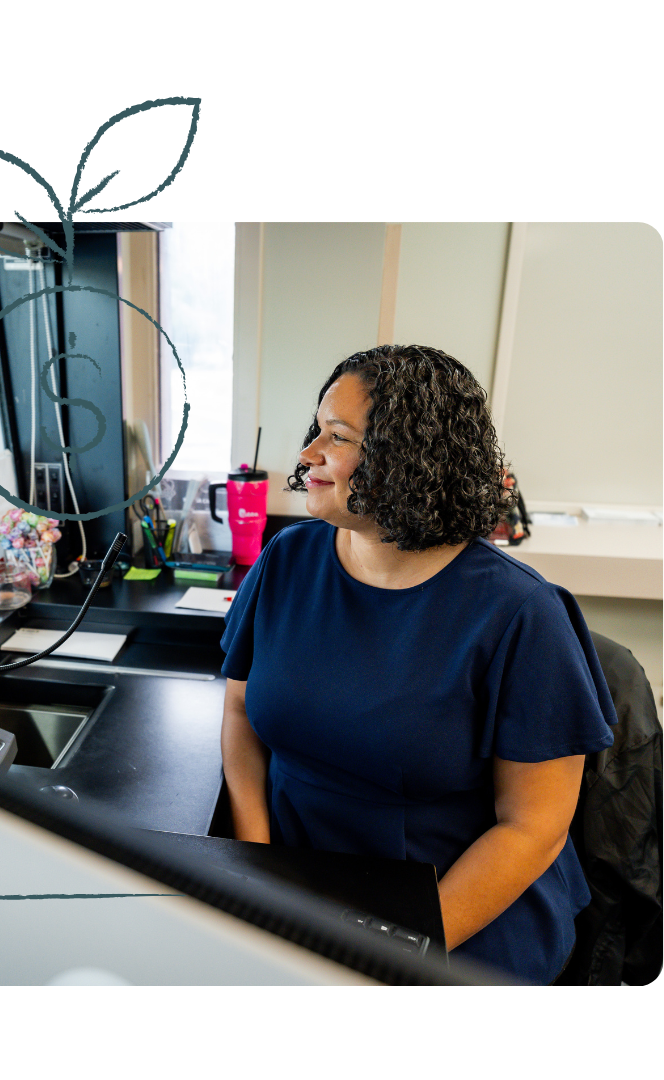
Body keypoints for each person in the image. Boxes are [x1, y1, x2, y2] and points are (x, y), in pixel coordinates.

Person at [219, 345, 617, 985]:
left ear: (411, 460)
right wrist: (254, 865)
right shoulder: (288, 559)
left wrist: (401, 946)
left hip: (452, 909)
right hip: (301, 882)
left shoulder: (521, 614)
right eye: (316, 429)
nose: (307, 453)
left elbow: (533, 828)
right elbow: (240, 710)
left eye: (338, 437)